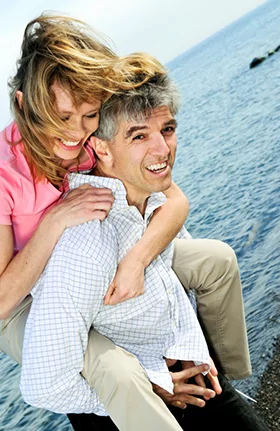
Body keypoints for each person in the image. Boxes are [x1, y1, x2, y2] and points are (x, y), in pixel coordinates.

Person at [0, 12, 249, 431]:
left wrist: (136, 259)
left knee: (215, 261)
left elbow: (175, 200)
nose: (75, 134)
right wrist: (53, 222)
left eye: (88, 115)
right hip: (24, 302)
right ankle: (154, 399)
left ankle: (224, 380)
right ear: (25, 104)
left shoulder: (90, 140)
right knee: (116, 370)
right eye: (60, 117)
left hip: (99, 264)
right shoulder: (5, 174)